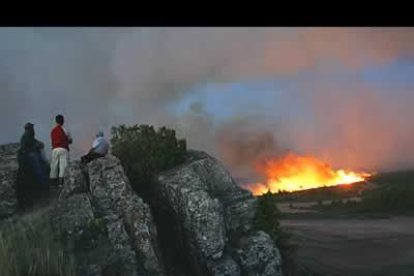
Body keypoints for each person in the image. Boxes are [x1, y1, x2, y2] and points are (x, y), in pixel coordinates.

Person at [50, 114, 72, 187]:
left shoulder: (52, 131)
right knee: (63, 166)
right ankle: (61, 183)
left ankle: (52, 183)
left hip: (54, 149)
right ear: (63, 121)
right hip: (63, 149)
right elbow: (70, 140)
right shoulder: (65, 130)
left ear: (56, 121)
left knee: (54, 165)